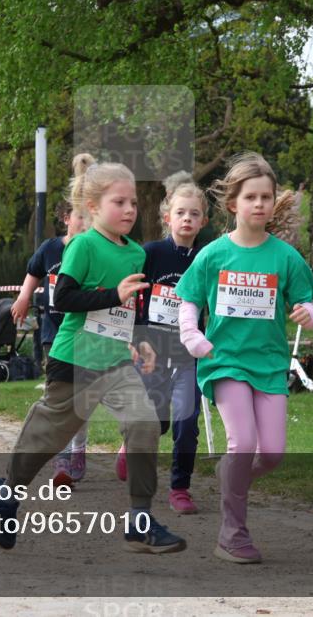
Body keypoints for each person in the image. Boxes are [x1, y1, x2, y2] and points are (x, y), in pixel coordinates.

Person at [0, 160, 186, 555]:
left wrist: (136, 339)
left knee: (145, 425)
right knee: (48, 437)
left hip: (116, 361)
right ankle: (6, 494)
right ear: (93, 206)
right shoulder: (83, 245)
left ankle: (139, 521)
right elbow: (65, 299)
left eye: (132, 202)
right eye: (119, 202)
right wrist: (115, 295)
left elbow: (126, 307)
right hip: (75, 358)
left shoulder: (134, 254)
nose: (130, 210)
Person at [175, 152, 313, 564]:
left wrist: (307, 314)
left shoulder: (285, 257)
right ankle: (232, 535)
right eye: (251, 197)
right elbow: (188, 299)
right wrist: (192, 335)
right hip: (226, 361)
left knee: (271, 453)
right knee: (243, 443)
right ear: (233, 203)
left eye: (266, 197)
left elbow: (309, 305)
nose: (259, 204)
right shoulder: (213, 255)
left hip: (270, 364)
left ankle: (229, 477)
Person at [121, 171, 208, 514]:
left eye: (194, 214)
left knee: (186, 420)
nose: (187, 219)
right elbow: (130, 297)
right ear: (167, 216)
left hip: (187, 354)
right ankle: (131, 445)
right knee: (154, 422)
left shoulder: (206, 259)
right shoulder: (152, 253)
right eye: (181, 212)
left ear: (203, 221)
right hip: (150, 351)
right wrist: (133, 338)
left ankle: (180, 488)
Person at [11, 155, 92, 486]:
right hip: (54, 329)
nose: (85, 225)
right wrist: (23, 297)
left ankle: (78, 449)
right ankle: (62, 453)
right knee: (61, 393)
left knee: (83, 395)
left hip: (87, 332)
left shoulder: (97, 250)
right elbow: (33, 272)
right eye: (79, 218)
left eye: (92, 218)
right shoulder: (50, 249)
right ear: (66, 218)